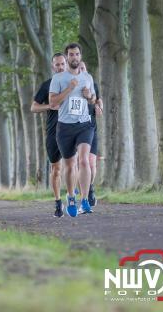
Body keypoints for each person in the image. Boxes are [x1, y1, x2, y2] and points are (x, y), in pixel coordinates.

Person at [49, 43, 96, 217]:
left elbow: (92, 99)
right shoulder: (59, 79)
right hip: (65, 127)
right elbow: (53, 102)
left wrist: (89, 96)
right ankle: (70, 196)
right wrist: (69, 88)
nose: (74, 57)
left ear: (80, 56)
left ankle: (84, 199)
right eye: (71, 54)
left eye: (77, 54)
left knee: (84, 161)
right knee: (70, 165)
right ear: (67, 57)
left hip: (84, 125)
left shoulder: (87, 77)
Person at [31, 53, 67, 217]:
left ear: (66, 64)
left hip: (72, 129)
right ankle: (58, 202)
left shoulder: (75, 83)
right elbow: (33, 107)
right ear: (53, 67)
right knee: (57, 168)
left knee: (74, 165)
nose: (60, 67)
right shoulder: (47, 85)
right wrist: (49, 106)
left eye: (62, 64)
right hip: (53, 130)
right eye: (57, 65)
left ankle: (74, 198)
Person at [79, 61, 103, 207]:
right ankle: (83, 194)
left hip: (91, 126)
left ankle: (90, 187)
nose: (81, 70)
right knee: (80, 162)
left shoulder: (92, 84)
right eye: (79, 68)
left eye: (83, 68)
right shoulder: (70, 84)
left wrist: (99, 107)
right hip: (75, 127)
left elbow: (99, 101)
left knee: (92, 163)